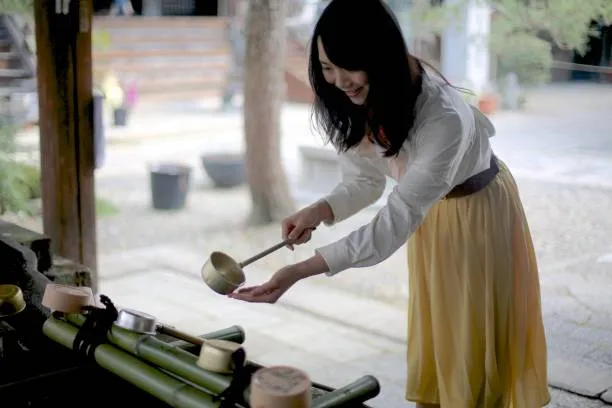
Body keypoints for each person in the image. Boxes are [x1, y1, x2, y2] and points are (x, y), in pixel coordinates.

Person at [229, 0, 551, 407]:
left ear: (382, 56)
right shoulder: (360, 96)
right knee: (443, 335)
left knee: (473, 338)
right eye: (327, 67)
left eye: (349, 66)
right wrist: (320, 210)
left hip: (478, 215)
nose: (339, 81)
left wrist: (299, 270)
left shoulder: (443, 117)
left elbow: (394, 221)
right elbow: (365, 179)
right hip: (433, 216)